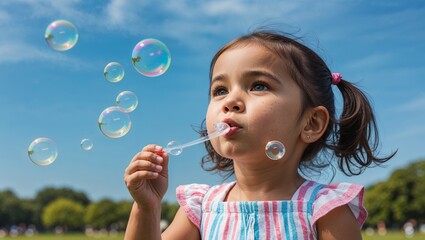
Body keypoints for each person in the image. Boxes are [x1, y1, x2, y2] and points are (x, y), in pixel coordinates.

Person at [124, 30, 395, 239]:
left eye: (258, 85)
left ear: (311, 123)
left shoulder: (323, 210)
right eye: (220, 90)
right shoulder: (202, 208)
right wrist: (147, 208)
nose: (231, 101)